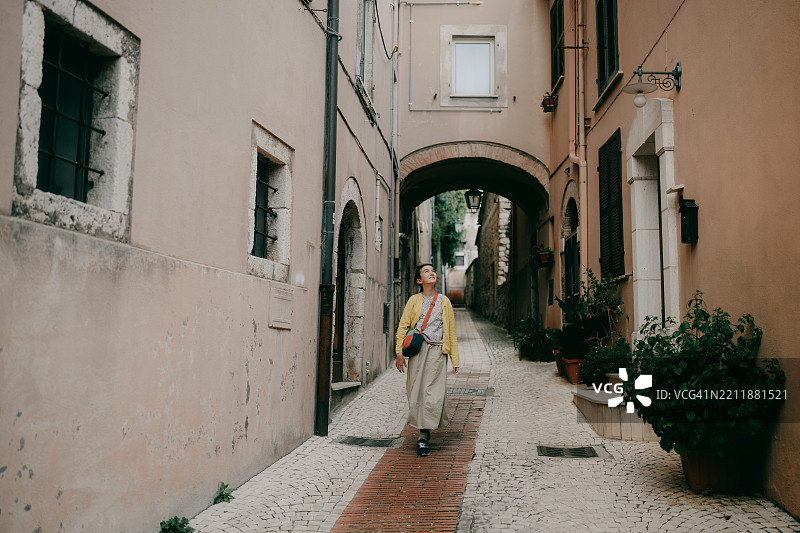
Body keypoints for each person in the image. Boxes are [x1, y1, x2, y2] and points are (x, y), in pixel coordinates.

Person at [395, 263, 459, 457]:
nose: (431, 273)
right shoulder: (414, 301)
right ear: (419, 280)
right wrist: (399, 352)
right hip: (418, 351)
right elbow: (403, 326)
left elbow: (451, 331)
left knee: (433, 392)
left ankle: (423, 436)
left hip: (438, 352)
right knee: (416, 390)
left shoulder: (444, 301)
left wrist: (455, 359)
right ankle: (423, 429)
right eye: (426, 271)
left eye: (432, 270)